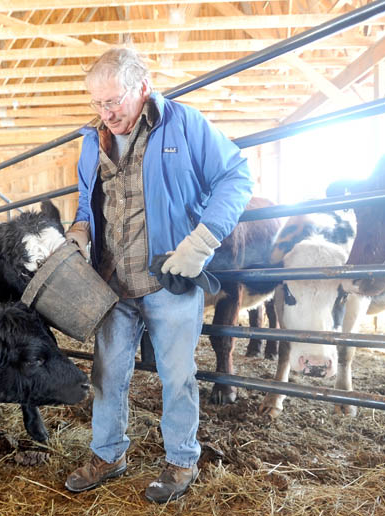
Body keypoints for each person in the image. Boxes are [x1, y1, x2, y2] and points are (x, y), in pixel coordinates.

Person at [63, 47, 253, 503]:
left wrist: (202, 241)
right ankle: (108, 454)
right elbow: (89, 198)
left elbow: (237, 175)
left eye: (113, 101)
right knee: (107, 375)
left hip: (169, 277)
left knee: (177, 375)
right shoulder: (93, 141)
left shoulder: (183, 124)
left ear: (142, 88)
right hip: (110, 281)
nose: (105, 113)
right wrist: (80, 229)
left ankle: (182, 461)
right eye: (96, 103)